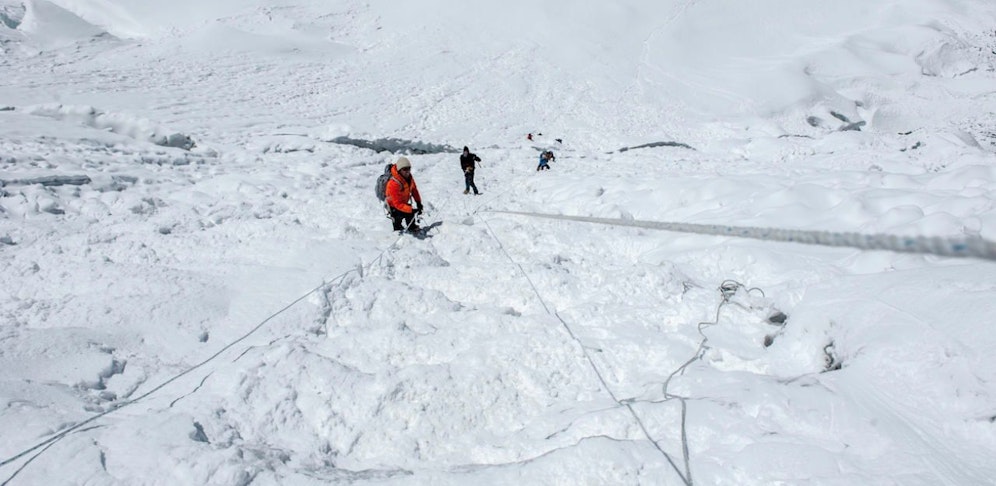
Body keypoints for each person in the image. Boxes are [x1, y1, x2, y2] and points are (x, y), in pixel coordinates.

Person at [385, 156, 423, 233]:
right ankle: (397, 229)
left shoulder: (409, 178)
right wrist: (410, 210)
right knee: (400, 218)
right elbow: (397, 204)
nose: (407, 171)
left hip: (403, 203)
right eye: (405, 169)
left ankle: (412, 227)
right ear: (399, 170)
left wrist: (418, 202)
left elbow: (414, 190)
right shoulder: (393, 184)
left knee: (409, 212)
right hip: (393, 206)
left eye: (409, 168)